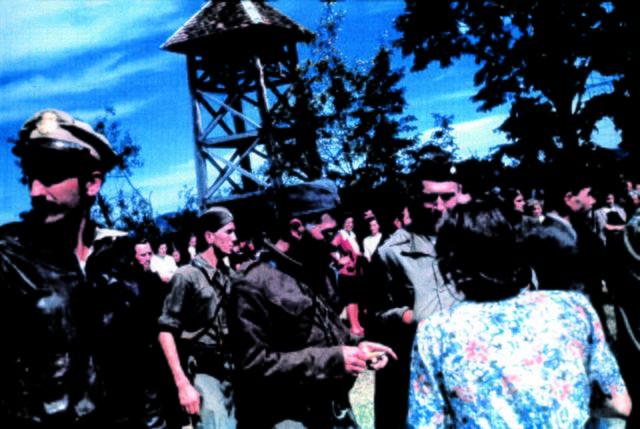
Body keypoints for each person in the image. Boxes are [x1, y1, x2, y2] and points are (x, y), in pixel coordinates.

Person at [0, 109, 165, 428]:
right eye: (30, 177)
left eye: (49, 176)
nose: (35, 191)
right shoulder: (7, 256)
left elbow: (143, 367)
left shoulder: (119, 257)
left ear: (91, 183)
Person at [407, 201, 631, 428]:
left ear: (450, 266)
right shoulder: (573, 308)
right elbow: (618, 404)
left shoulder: (436, 332)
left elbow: (426, 423)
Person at [227, 179, 396, 429]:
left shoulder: (315, 271)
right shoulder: (252, 284)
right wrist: (333, 361)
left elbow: (329, 332)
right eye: (327, 233)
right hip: (286, 418)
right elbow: (251, 366)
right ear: (296, 228)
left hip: (332, 411)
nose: (335, 243)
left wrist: (358, 346)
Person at [366, 159, 465, 429]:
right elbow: (373, 317)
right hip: (419, 379)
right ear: (412, 197)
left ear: (460, 193)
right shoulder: (391, 253)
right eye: (430, 198)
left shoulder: (476, 241)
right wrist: (410, 316)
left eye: (448, 196)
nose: (440, 206)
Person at [158, 207, 238, 429]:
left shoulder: (229, 276)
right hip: (203, 371)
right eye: (229, 232)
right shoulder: (186, 276)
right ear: (209, 237)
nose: (235, 238)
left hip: (233, 370)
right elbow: (166, 332)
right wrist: (182, 384)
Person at [332, 215, 365, 336]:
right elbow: (330, 249)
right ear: (343, 223)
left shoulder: (352, 235)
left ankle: (357, 324)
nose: (350, 225)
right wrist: (339, 260)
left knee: (355, 298)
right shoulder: (340, 235)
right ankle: (353, 326)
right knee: (350, 298)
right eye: (347, 222)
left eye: (352, 222)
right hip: (346, 272)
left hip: (355, 271)